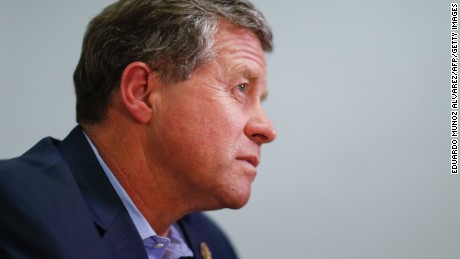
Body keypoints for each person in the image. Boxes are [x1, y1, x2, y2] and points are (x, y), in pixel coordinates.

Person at [0, 0, 276, 258]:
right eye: (241, 88)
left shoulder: (214, 242)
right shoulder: (18, 206)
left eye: (260, 100)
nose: (266, 129)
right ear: (141, 92)